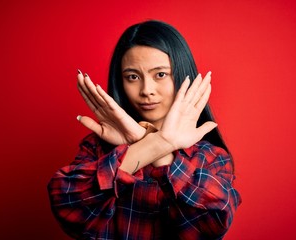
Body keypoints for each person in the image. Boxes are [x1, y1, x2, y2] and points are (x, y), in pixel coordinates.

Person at [48, 20, 241, 240]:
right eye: (132, 77)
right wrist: (157, 143)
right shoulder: (97, 147)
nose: (146, 91)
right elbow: (68, 207)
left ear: (182, 75)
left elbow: (212, 225)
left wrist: (157, 149)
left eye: (160, 75)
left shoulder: (210, 157)